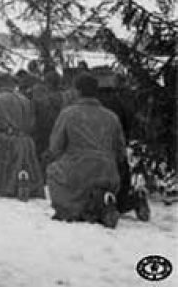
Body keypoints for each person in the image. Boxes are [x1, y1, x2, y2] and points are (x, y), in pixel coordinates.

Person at [46, 73, 128, 228]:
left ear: (77, 91)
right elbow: (121, 150)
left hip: (78, 168)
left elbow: (55, 147)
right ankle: (102, 203)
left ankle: (71, 210)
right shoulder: (111, 116)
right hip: (108, 170)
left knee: (54, 172)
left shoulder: (68, 114)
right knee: (97, 181)